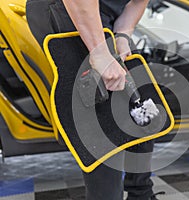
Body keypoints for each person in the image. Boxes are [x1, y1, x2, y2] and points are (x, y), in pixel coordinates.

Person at [26, 0, 161, 199]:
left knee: (139, 103)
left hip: (105, 14)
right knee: (103, 122)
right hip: (70, 7)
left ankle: (141, 194)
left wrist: (123, 35)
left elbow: (138, 2)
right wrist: (99, 53)